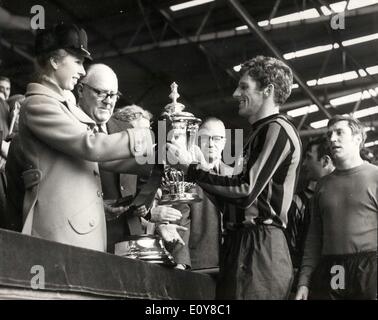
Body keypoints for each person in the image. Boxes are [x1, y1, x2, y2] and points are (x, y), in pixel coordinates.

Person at [168, 55, 302, 299]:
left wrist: (191, 169)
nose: (234, 94)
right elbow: (231, 199)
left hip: (261, 248)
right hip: (241, 245)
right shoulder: (258, 133)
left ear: (267, 91)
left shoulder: (277, 129)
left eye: (243, 87)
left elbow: (245, 191)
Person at [16, 23, 153, 251]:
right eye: (78, 62)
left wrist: (159, 159)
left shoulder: (65, 105)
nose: (81, 71)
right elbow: (90, 146)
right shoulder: (38, 104)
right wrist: (146, 137)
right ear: (55, 61)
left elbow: (102, 160)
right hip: (59, 233)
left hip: (77, 230)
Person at [296, 115, 377, 300]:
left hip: (369, 269)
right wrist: (304, 281)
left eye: (339, 133)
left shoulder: (375, 177)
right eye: (329, 135)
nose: (332, 139)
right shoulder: (322, 185)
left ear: (358, 139)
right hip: (334, 268)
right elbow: (314, 238)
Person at [188, 117, 233, 270]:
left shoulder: (236, 177)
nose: (211, 143)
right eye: (205, 138)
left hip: (231, 262)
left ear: (224, 142)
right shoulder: (187, 174)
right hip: (199, 262)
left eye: (217, 138)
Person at [286, 136, 334, 270]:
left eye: (308, 157)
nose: (304, 164)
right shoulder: (298, 202)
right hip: (307, 277)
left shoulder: (343, 198)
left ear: (325, 161)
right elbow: (291, 247)